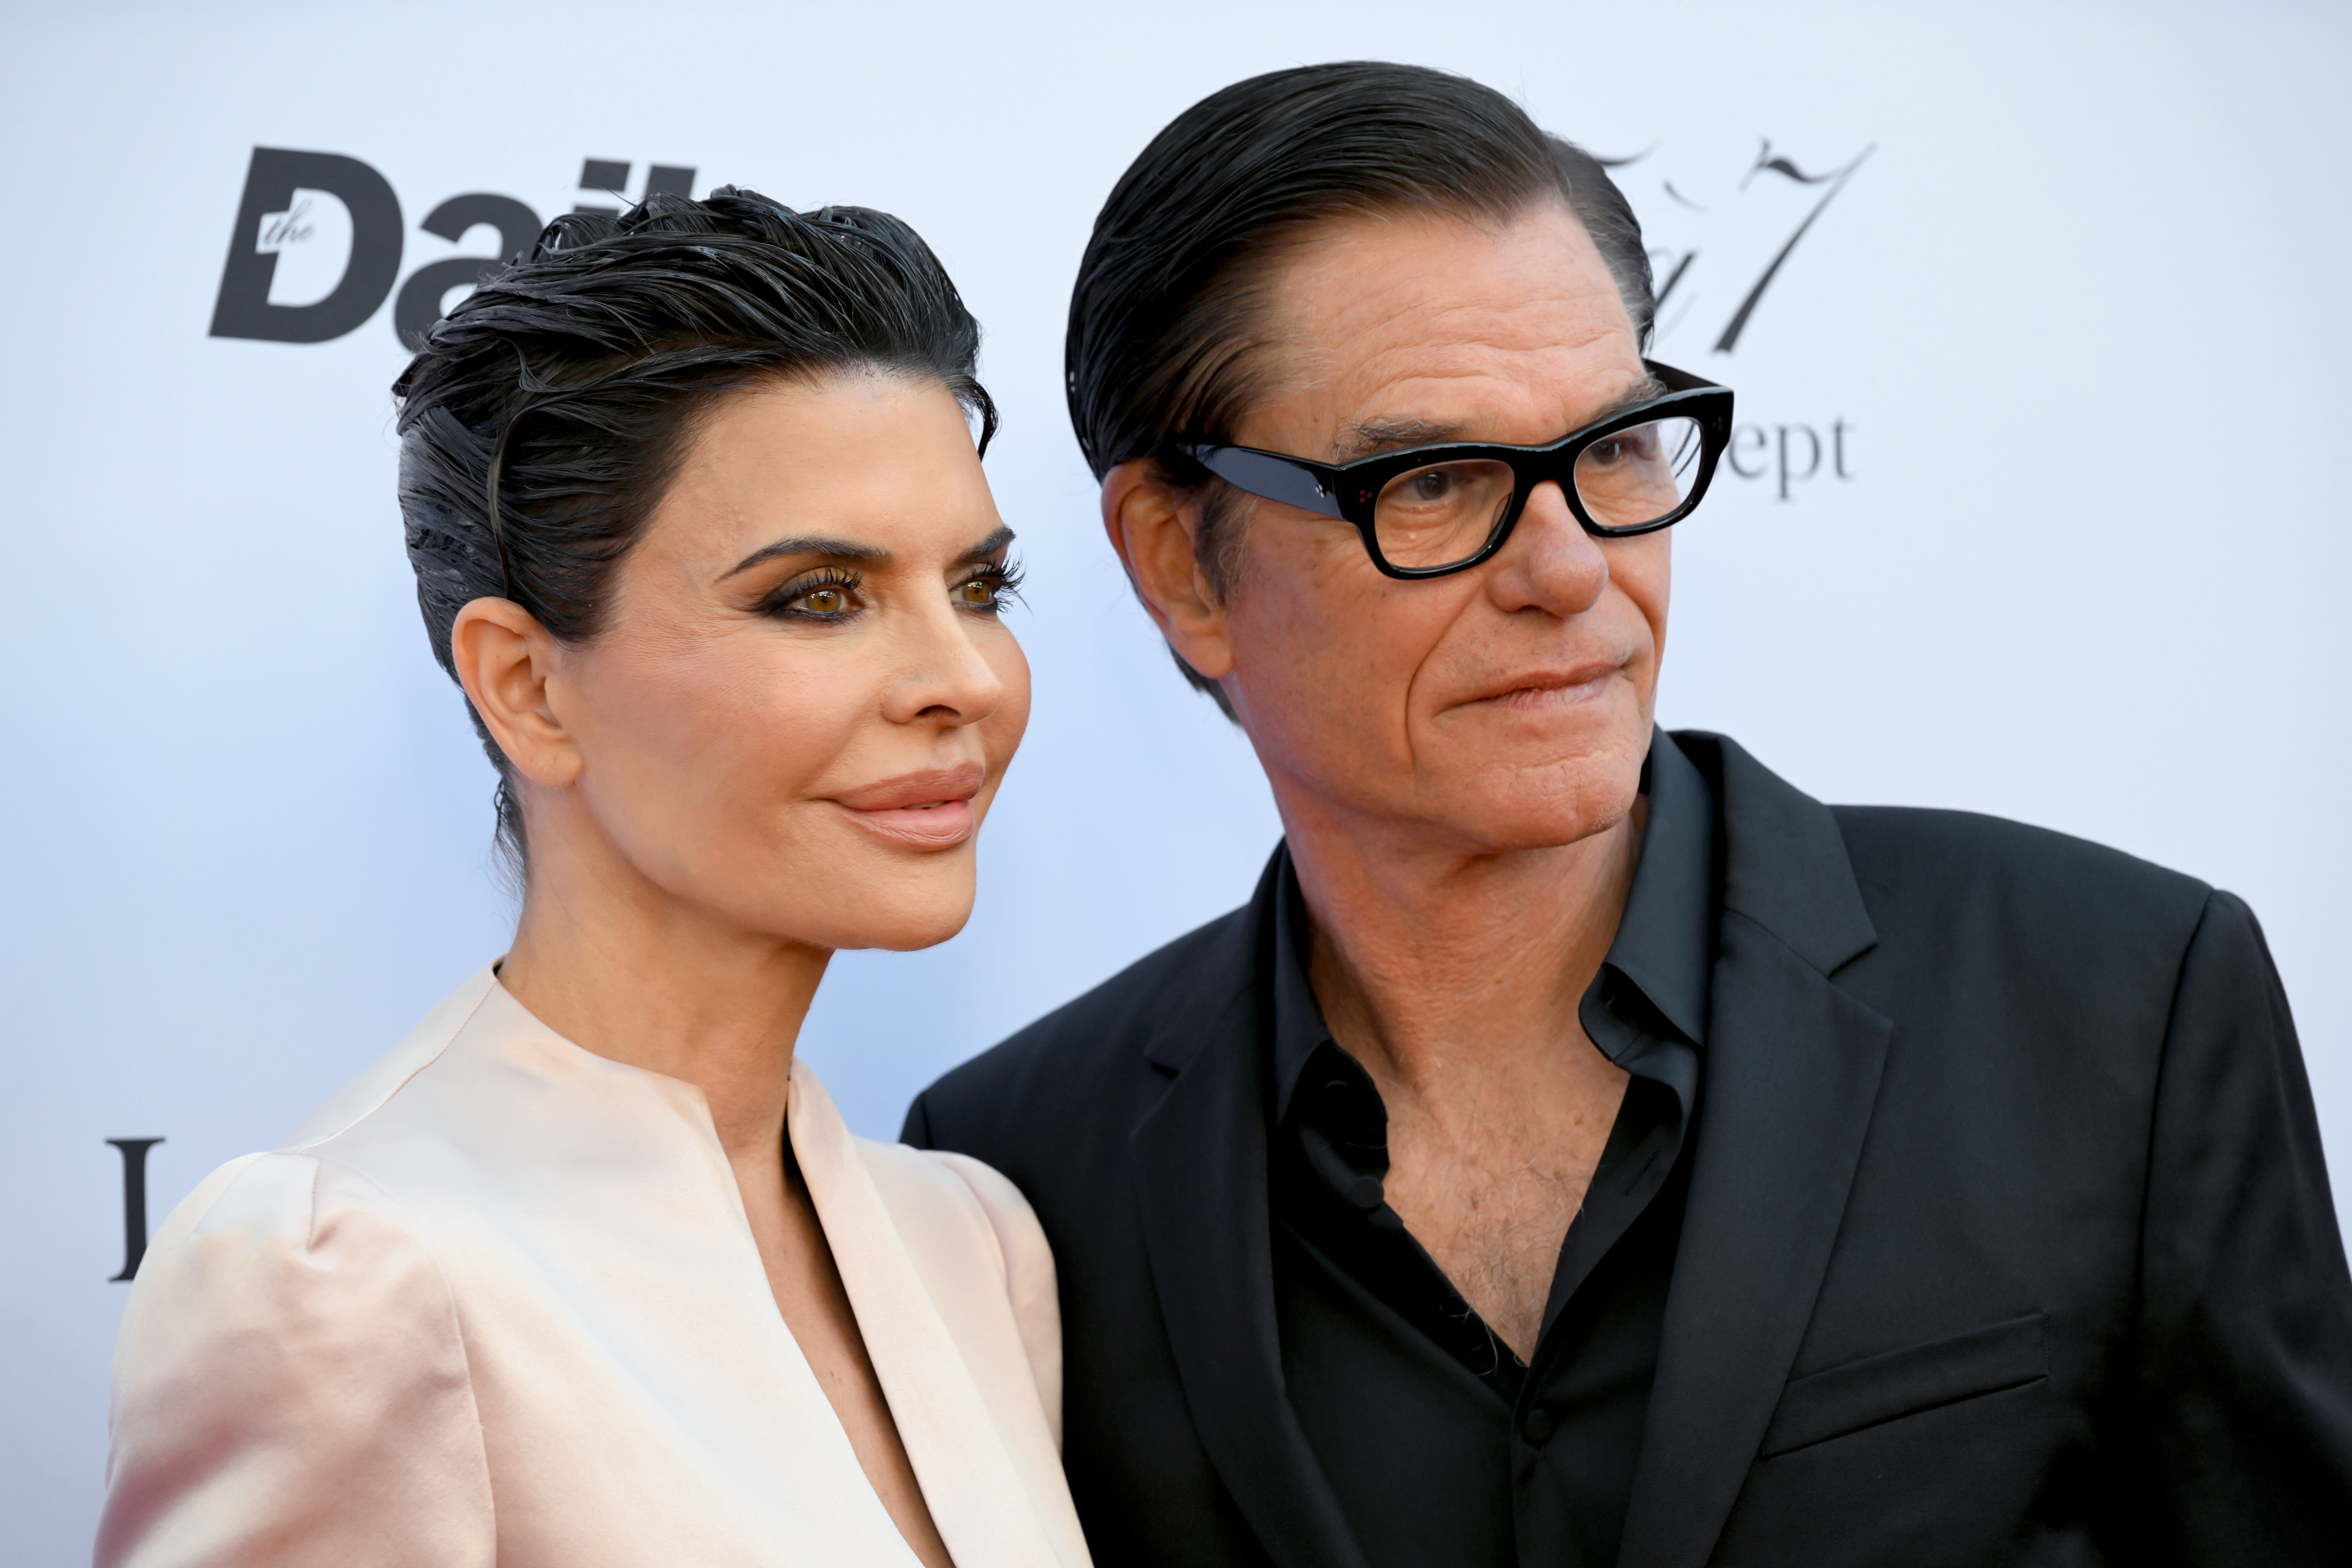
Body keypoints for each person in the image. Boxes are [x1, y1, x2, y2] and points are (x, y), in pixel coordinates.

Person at [903, 61, 2352, 1568]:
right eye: (1438, 480)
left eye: (1611, 449)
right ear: (1181, 565)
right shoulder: (1017, 1185)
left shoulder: (2116, 1002)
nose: (1572, 570)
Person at [98, 190, 1089, 1568]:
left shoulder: (972, 1244)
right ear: (528, 687)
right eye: (819, 597)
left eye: (980, 587)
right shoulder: (353, 1277)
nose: (967, 681)